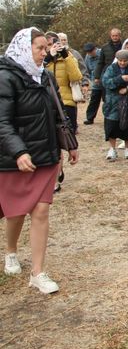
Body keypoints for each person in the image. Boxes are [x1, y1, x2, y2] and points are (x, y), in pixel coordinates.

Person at [0, 27, 79, 294]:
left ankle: (38, 272)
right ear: (24, 48)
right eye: (40, 48)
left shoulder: (45, 76)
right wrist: (19, 152)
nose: (45, 53)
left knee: (41, 210)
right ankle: (10, 251)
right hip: (16, 159)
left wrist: (70, 145)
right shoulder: (5, 77)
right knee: (16, 211)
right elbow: (2, 122)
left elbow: (58, 112)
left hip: (45, 155)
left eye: (46, 48)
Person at [101, 49, 128, 160]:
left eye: (125, 61)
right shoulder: (111, 69)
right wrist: (119, 79)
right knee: (112, 126)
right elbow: (106, 82)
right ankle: (112, 149)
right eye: (120, 60)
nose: (122, 63)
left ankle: (127, 148)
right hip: (113, 103)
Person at [44, 33, 82, 134]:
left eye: (54, 44)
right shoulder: (43, 59)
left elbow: (76, 77)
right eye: (48, 44)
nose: (52, 47)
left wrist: (66, 56)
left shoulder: (69, 57)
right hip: (48, 102)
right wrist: (48, 58)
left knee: (69, 137)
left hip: (66, 102)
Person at [88, 27, 123, 125]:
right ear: (110, 36)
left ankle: (120, 117)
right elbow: (100, 63)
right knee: (106, 98)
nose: (115, 37)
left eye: (116, 35)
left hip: (121, 74)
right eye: (113, 35)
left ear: (119, 36)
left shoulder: (124, 46)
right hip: (107, 74)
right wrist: (97, 76)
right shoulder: (105, 47)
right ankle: (107, 117)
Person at [83, 42, 103, 125]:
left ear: (95, 49)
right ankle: (90, 118)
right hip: (95, 83)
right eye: (88, 52)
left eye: (91, 52)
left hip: (105, 81)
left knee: (107, 101)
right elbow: (87, 69)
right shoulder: (87, 57)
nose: (90, 54)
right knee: (93, 101)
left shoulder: (102, 53)